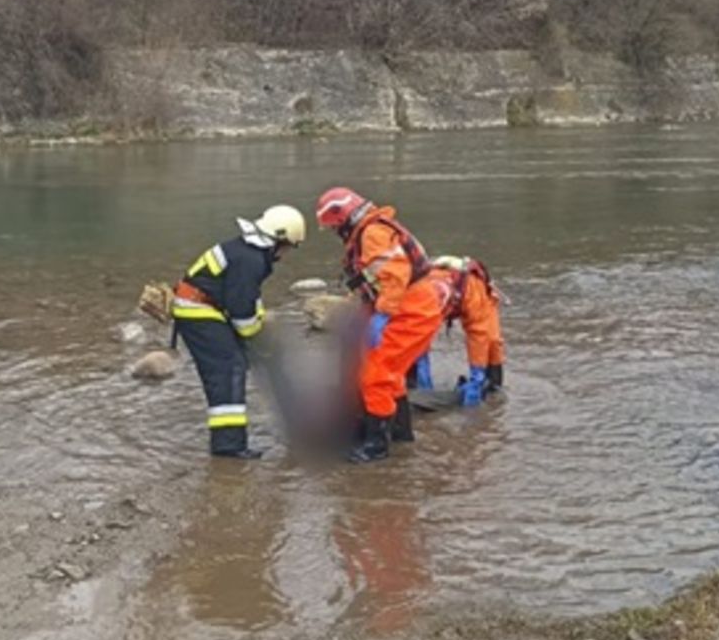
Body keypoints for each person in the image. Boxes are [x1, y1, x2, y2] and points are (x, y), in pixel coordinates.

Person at [315, 187, 442, 464]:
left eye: (335, 227)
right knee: (390, 374)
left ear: (343, 219)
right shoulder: (373, 229)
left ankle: (376, 446)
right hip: (413, 307)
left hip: (410, 312)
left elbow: (395, 276)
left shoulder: (372, 233)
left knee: (376, 376)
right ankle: (401, 434)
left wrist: (382, 315)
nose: (336, 232)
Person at [171, 205, 307, 459]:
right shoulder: (250, 260)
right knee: (229, 368)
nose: (287, 254)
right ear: (279, 240)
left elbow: (249, 298)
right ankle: (228, 445)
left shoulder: (248, 252)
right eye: (289, 247)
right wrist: (256, 336)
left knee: (234, 364)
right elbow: (242, 312)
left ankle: (235, 439)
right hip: (197, 311)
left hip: (204, 307)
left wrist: (259, 328)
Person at [425, 255, 507, 405]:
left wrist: (477, 373)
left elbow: (479, 335)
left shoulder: (472, 291)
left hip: (475, 295)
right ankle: (421, 386)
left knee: (492, 340)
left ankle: (492, 387)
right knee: (417, 346)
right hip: (446, 292)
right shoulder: (418, 293)